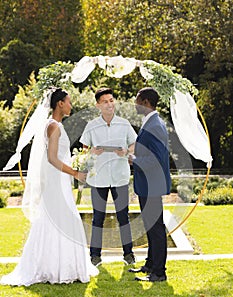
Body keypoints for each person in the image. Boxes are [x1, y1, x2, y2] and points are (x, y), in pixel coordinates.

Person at [0, 88, 99, 286]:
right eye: (68, 101)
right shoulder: (54, 127)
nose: (71, 105)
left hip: (58, 181)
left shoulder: (52, 125)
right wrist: (76, 172)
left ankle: (59, 266)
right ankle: (56, 268)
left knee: (59, 220)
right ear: (60, 104)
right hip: (56, 181)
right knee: (61, 220)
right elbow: (52, 159)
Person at [80, 87, 137, 266]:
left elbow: (134, 144)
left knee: (123, 217)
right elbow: (84, 150)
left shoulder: (124, 123)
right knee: (98, 217)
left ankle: (128, 254)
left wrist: (127, 152)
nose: (109, 104)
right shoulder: (91, 126)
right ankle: (94, 256)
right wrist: (93, 152)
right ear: (98, 105)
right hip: (98, 178)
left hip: (120, 176)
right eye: (105, 101)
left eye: (111, 100)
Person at [128, 87, 171, 282]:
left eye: (137, 100)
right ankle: (150, 265)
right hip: (148, 185)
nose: (135, 104)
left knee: (156, 228)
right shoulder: (151, 122)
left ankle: (159, 272)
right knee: (150, 226)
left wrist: (133, 160)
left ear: (145, 102)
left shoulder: (154, 125)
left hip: (152, 185)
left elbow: (156, 160)